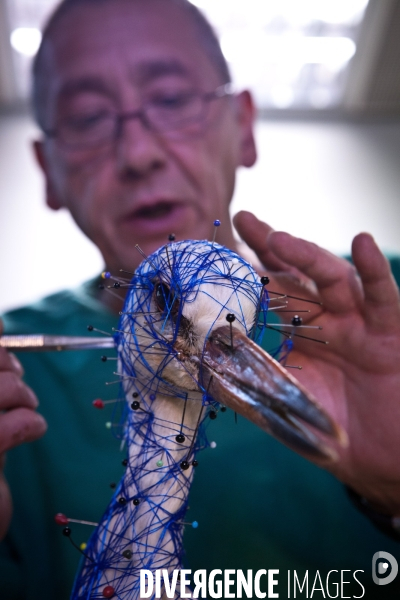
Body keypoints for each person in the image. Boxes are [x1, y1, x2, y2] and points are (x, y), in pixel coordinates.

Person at [0, 0, 399, 598]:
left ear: (242, 125)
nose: (138, 155)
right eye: (86, 118)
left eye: (169, 99)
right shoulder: (11, 378)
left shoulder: (388, 310)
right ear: (47, 170)